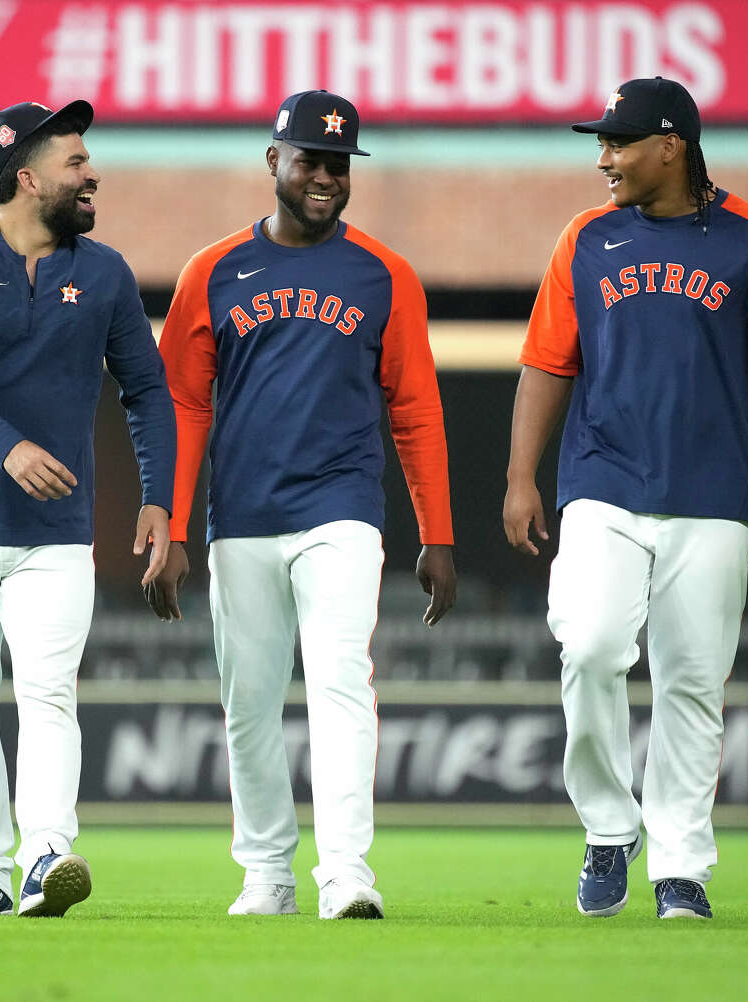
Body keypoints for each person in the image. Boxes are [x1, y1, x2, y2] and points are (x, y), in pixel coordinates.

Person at [502, 77, 748, 920]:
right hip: (604, 482)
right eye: (602, 143)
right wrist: (519, 477)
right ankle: (610, 827)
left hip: (714, 491)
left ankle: (681, 865)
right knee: (588, 644)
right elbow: (547, 363)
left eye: (618, 144)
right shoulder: (585, 238)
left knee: (692, 683)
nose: (604, 159)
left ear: (672, 146)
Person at [147, 89, 457, 920]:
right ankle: (267, 873)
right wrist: (171, 526)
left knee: (339, 682)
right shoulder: (211, 272)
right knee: (249, 702)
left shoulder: (384, 273)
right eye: (311, 160)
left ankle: (347, 872)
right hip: (241, 514)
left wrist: (437, 531)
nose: (325, 176)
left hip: (343, 508)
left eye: (339, 163)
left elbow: (416, 407)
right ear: (273, 161)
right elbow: (182, 403)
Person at [0, 100, 176, 917]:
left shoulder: (105, 273)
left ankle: (45, 856)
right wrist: (10, 448)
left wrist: (159, 497)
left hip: (56, 535)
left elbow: (149, 388)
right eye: (75, 162)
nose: (92, 174)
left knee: (50, 691)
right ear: (26, 177)